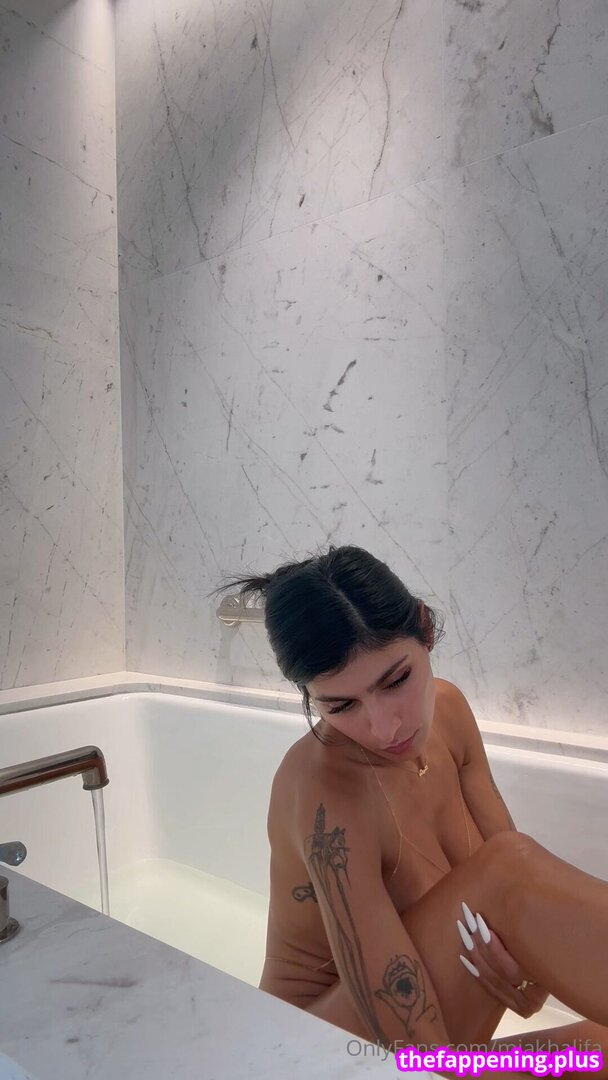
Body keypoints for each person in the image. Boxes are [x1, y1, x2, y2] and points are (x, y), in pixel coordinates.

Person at [214, 545, 608, 1071]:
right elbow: (409, 1039)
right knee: (509, 870)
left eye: (396, 680)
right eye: (340, 706)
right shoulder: (319, 785)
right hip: (310, 1050)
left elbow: (527, 934)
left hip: (430, 1039)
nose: (384, 728)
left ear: (424, 629)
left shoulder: (449, 713)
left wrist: (530, 970)